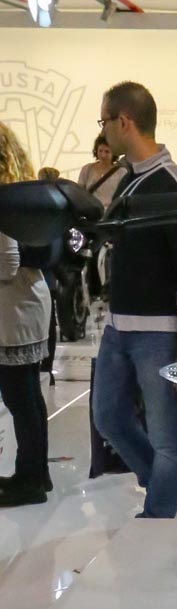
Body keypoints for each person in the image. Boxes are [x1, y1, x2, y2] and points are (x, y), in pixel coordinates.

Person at [91, 80, 177, 518]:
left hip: (158, 334)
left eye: (104, 121)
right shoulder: (129, 180)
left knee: (166, 437)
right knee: (108, 417)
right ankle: (164, 486)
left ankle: (159, 515)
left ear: (124, 122)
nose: (103, 131)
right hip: (118, 327)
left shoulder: (172, 182)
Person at [0, 122, 53, 507]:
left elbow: (7, 263)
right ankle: (35, 473)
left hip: (14, 309)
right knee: (28, 396)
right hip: (27, 302)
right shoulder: (21, 193)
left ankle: (30, 480)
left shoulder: (4, 198)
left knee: (20, 397)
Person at [78, 133, 125, 206]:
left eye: (107, 152)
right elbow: (79, 192)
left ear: (114, 153)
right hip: (90, 209)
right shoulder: (87, 169)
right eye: (100, 151)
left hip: (110, 211)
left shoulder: (121, 172)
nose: (103, 155)